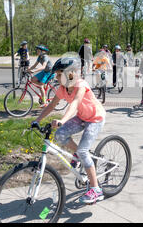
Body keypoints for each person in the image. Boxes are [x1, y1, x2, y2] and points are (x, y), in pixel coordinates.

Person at [31, 57, 106, 204]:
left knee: (84, 151)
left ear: (70, 74)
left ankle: (96, 190)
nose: (57, 78)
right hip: (82, 116)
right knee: (60, 134)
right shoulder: (63, 89)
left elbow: (76, 103)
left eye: (59, 75)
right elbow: (51, 105)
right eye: (57, 75)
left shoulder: (81, 85)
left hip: (95, 118)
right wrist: (37, 120)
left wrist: (62, 120)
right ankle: (78, 156)